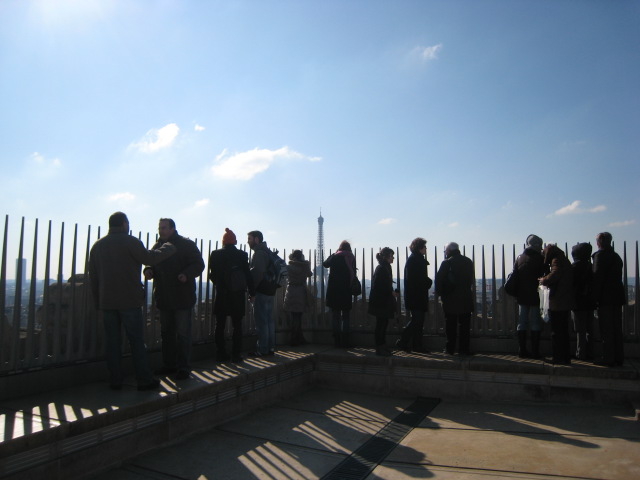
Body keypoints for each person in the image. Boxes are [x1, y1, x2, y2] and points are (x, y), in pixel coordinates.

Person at [89, 212, 175, 390]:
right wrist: (168, 248)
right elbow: (149, 258)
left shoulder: (97, 246)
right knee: (136, 341)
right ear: (124, 224)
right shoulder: (131, 242)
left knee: (112, 343)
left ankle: (115, 380)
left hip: (107, 302)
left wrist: (98, 302)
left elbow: (94, 277)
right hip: (129, 300)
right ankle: (144, 379)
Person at [143, 218, 204, 379]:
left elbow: (199, 264)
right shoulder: (158, 246)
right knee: (166, 334)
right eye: (159, 228)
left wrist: (186, 274)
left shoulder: (186, 244)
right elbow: (151, 262)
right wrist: (148, 270)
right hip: (164, 297)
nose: (160, 230)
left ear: (172, 229)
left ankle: (183, 367)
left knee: (183, 334)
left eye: (164, 228)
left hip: (182, 297)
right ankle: (169, 365)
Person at [208, 228, 255, 363]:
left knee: (220, 325)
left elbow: (212, 275)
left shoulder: (215, 254)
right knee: (237, 325)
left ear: (223, 241)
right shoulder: (242, 255)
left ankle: (221, 353)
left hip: (222, 293)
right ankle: (236, 354)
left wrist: (219, 284)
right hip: (237, 294)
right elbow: (247, 275)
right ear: (235, 242)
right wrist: (252, 292)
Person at [592, 232, 626, 367]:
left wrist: (594, 298)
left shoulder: (600, 256)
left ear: (599, 242)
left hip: (605, 297)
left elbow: (597, 279)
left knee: (606, 329)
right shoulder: (616, 257)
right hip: (617, 297)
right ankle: (618, 357)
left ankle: (608, 357)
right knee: (616, 328)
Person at [435, 242, 475, 356]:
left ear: (448, 251)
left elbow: (439, 280)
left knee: (450, 325)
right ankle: (464, 349)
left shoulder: (447, 263)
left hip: (450, 299)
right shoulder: (468, 261)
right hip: (465, 298)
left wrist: (441, 294)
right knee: (465, 326)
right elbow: (471, 280)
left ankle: (450, 349)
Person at [513, 234, 547, 359]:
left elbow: (515, 275)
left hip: (522, 294)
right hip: (536, 294)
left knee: (521, 322)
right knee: (535, 323)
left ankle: (522, 350)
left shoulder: (520, 258)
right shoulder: (540, 258)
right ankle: (535, 352)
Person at [539, 244, 574, 365]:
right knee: (563, 331)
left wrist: (544, 280)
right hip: (565, 300)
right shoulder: (564, 259)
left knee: (556, 331)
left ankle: (558, 357)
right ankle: (565, 357)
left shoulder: (556, 260)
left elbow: (555, 274)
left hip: (558, 301)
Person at [397, 237, 432, 353]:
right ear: (420, 248)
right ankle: (404, 341)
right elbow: (417, 279)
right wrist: (428, 282)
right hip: (416, 296)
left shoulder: (414, 259)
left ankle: (417, 345)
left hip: (415, 296)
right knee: (417, 320)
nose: (426, 249)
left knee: (418, 321)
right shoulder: (415, 260)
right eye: (424, 247)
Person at [247, 230, 276, 356]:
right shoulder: (267, 251)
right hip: (270, 290)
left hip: (261, 290)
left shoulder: (259, 253)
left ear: (257, 239)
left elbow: (258, 273)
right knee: (269, 320)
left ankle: (263, 348)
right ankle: (270, 347)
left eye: (250, 238)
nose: (248, 241)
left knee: (261, 321)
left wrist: (252, 291)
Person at [323, 241, 357, 347]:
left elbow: (325, 264)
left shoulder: (335, 257)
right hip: (346, 290)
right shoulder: (351, 257)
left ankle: (337, 340)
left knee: (336, 316)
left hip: (334, 291)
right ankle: (345, 340)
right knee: (346, 316)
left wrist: (334, 254)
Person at [368, 247, 398, 356]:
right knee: (381, 324)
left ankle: (382, 345)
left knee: (383, 324)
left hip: (381, 301)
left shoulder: (384, 267)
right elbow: (380, 285)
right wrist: (390, 292)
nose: (393, 258)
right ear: (387, 257)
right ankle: (380, 346)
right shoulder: (382, 268)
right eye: (392, 256)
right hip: (381, 302)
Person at [571, 242, 594, 361]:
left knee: (580, 329)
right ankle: (590, 352)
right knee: (590, 328)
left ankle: (580, 353)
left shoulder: (574, 267)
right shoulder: (591, 266)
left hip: (578, 302)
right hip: (590, 301)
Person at [284, 250, 312, 346]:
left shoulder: (289, 267)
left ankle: (294, 338)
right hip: (301, 291)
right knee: (299, 316)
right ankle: (299, 337)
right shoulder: (304, 266)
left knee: (294, 316)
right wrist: (305, 262)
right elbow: (310, 274)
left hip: (291, 290)